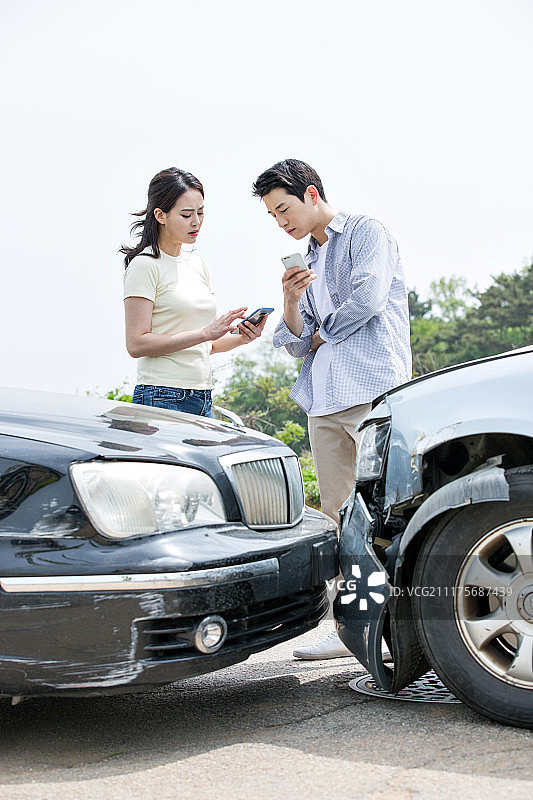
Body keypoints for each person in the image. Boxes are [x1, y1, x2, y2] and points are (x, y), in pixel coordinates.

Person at [252, 159, 411, 659]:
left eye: (284, 209)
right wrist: (291, 301)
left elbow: (366, 298)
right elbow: (291, 341)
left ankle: (408, 622)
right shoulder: (307, 261)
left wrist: (318, 333)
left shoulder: (367, 232)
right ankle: (352, 627)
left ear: (312, 193)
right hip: (324, 401)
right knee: (338, 515)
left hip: (372, 392)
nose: (281, 221)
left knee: (386, 512)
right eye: (273, 216)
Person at [121, 167, 266, 416]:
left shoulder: (199, 265)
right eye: (186, 214)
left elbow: (206, 345)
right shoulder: (145, 265)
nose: (196, 221)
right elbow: (136, 344)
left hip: (202, 395)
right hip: (161, 394)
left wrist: (243, 337)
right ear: (160, 215)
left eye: (200, 212)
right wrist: (206, 332)